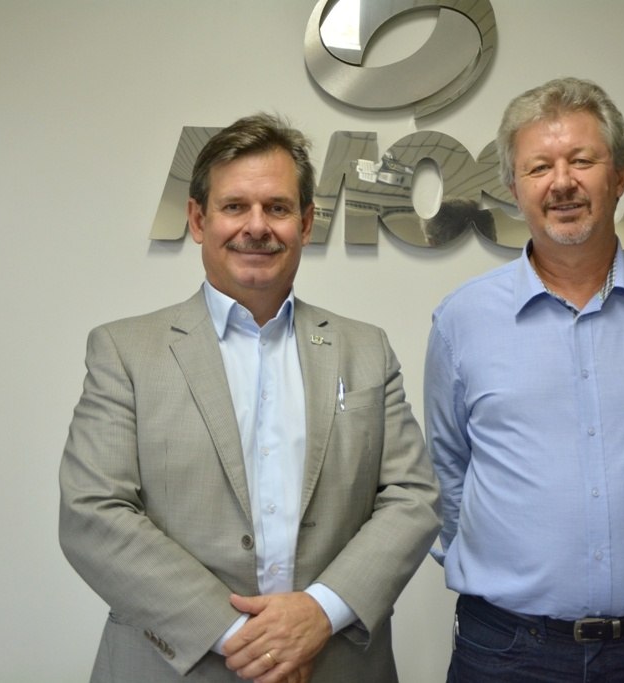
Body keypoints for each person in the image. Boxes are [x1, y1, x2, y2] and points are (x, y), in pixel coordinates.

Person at [59, 112, 440, 683]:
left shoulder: (366, 349)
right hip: (176, 665)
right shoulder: (124, 351)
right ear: (198, 219)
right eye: (235, 206)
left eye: (277, 208)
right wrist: (242, 636)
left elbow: (413, 496)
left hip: (334, 662)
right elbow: (93, 512)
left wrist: (320, 612)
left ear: (306, 223)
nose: (256, 226)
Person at [424, 77, 624, 682]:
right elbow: (447, 465)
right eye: (539, 167)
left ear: (619, 177)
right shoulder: (462, 319)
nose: (561, 182)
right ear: (514, 189)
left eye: (582, 161)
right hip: (506, 649)